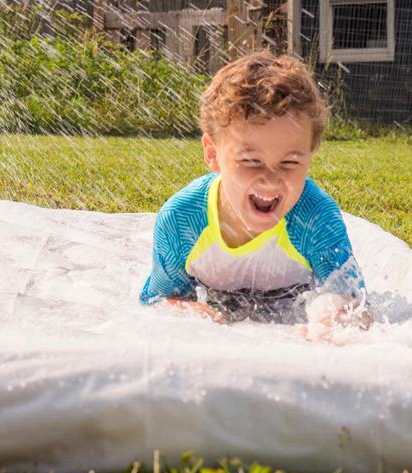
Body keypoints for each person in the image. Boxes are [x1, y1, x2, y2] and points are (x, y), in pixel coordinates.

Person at [140, 50, 373, 339]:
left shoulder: (315, 217)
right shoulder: (182, 220)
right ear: (213, 154)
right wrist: (188, 311)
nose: (271, 179)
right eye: (251, 161)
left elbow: (356, 304)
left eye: (290, 162)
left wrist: (333, 314)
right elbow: (155, 302)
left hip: (294, 302)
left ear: (310, 156)